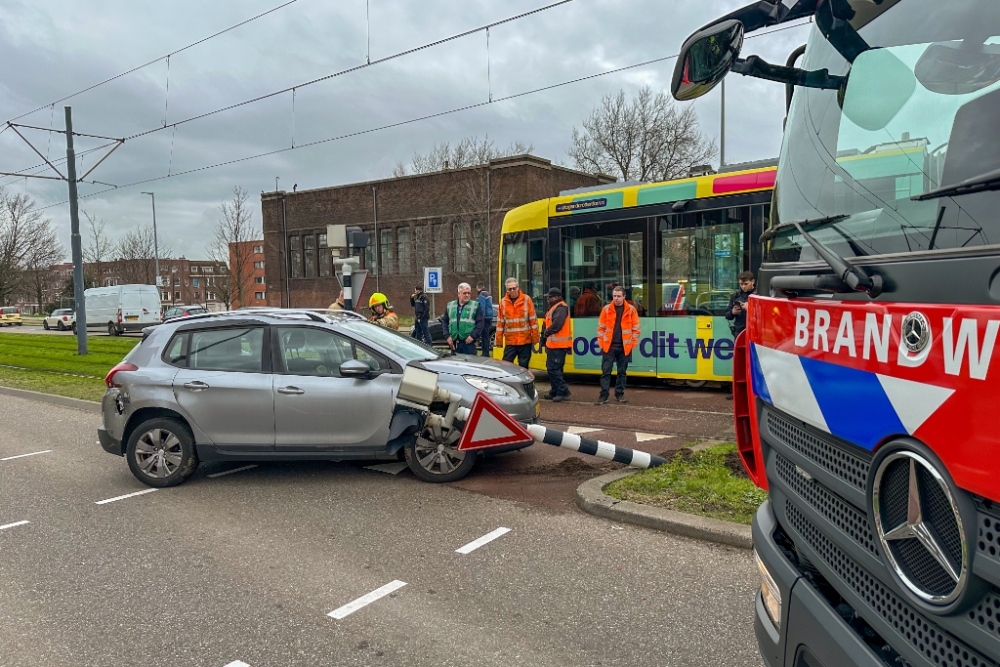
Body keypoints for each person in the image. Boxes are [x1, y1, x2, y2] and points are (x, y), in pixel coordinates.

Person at [595, 286, 640, 405]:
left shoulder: (631, 310)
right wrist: (602, 343)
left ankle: (619, 394)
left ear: (624, 296)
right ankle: (604, 395)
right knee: (606, 372)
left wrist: (632, 344)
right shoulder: (606, 309)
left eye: (619, 296)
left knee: (622, 372)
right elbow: (601, 328)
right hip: (609, 346)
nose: (616, 298)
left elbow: (636, 329)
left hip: (624, 347)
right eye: (614, 296)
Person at [724, 271, 756, 399]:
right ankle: (738, 392)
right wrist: (732, 312)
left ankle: (752, 392)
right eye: (741, 284)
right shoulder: (735, 296)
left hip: (753, 331)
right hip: (739, 331)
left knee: (753, 362)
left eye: (746, 284)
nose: (743, 286)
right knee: (740, 363)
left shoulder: (758, 295)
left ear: (752, 282)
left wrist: (750, 308)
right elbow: (727, 315)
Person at [494, 277, 538, 368]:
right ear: (507, 290)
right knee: (506, 366)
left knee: (523, 367)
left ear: (518, 288)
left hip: (525, 341)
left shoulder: (526, 300)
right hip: (511, 342)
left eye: (514, 288)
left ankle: (523, 382)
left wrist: (535, 338)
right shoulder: (503, 303)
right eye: (510, 289)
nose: (513, 290)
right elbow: (500, 323)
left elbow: (533, 321)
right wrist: (498, 340)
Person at [540, 287, 572, 402]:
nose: (547, 299)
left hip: (559, 345)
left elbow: (557, 324)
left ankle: (562, 391)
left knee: (554, 369)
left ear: (557, 297)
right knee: (552, 369)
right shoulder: (555, 308)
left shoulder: (561, 308)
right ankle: (555, 391)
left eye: (550, 297)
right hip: (554, 345)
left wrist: (546, 333)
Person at [440, 282, 484, 354]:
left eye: (468, 293)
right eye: (464, 293)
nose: (467, 295)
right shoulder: (450, 305)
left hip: (468, 343)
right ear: (459, 294)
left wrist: (473, 336)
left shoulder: (475, 305)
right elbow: (444, 321)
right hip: (454, 343)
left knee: (469, 364)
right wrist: (447, 336)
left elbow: (480, 323)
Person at [476, 282, 495, 357]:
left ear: (478, 287)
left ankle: (485, 353)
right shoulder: (488, 294)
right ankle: (486, 352)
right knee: (486, 335)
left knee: (484, 336)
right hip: (489, 317)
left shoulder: (482, 295)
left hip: (485, 317)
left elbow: (482, 307)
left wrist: (480, 318)